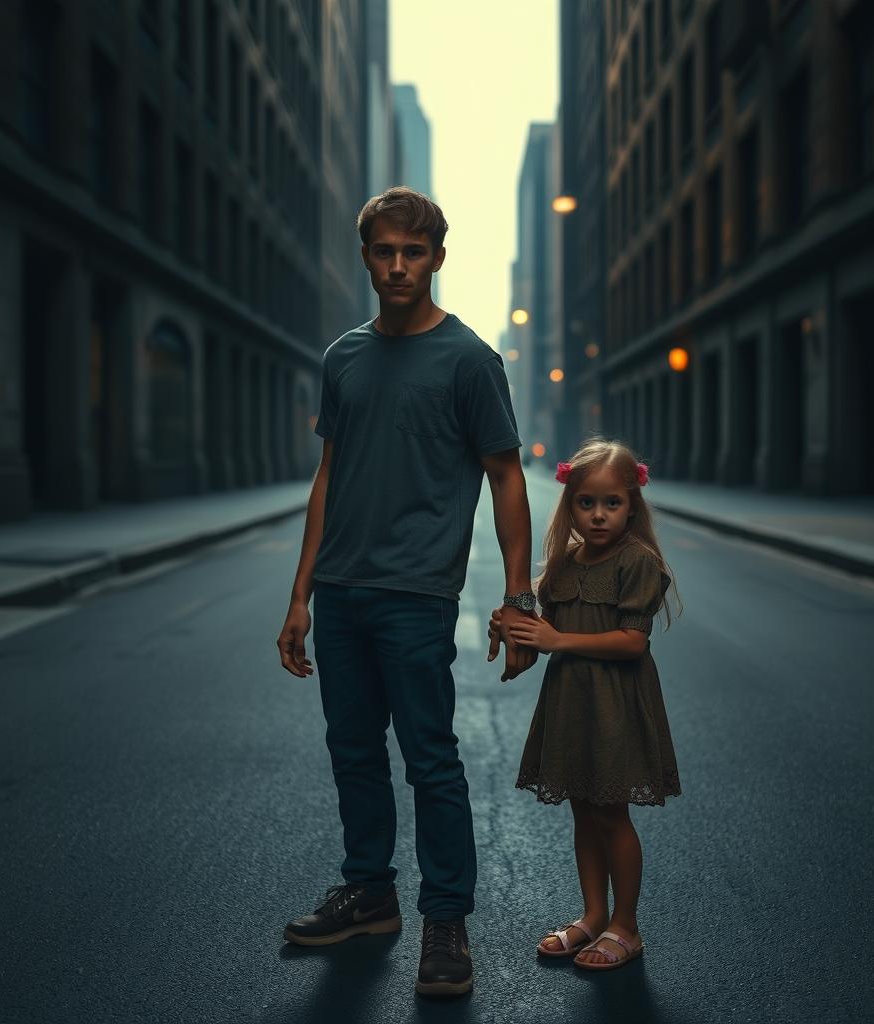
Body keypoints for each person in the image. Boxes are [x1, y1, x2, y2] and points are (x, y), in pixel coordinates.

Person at [276, 186, 537, 997]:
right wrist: (300, 596)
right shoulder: (343, 356)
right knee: (352, 751)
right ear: (365, 256)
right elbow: (328, 476)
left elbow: (505, 476)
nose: (398, 266)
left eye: (413, 252)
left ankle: (446, 922)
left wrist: (520, 597)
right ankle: (370, 895)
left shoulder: (469, 360)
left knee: (430, 760)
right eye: (384, 251)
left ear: (437, 258)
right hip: (344, 593)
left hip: (419, 594)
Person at [488, 438, 682, 970]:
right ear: (570, 505)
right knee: (581, 807)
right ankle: (593, 916)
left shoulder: (637, 561)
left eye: (611, 503)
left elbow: (633, 642)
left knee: (611, 812)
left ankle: (627, 925)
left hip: (616, 702)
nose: (598, 515)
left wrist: (556, 641)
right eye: (586, 503)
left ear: (631, 504)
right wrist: (509, 622)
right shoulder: (567, 564)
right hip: (571, 700)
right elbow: (534, 613)